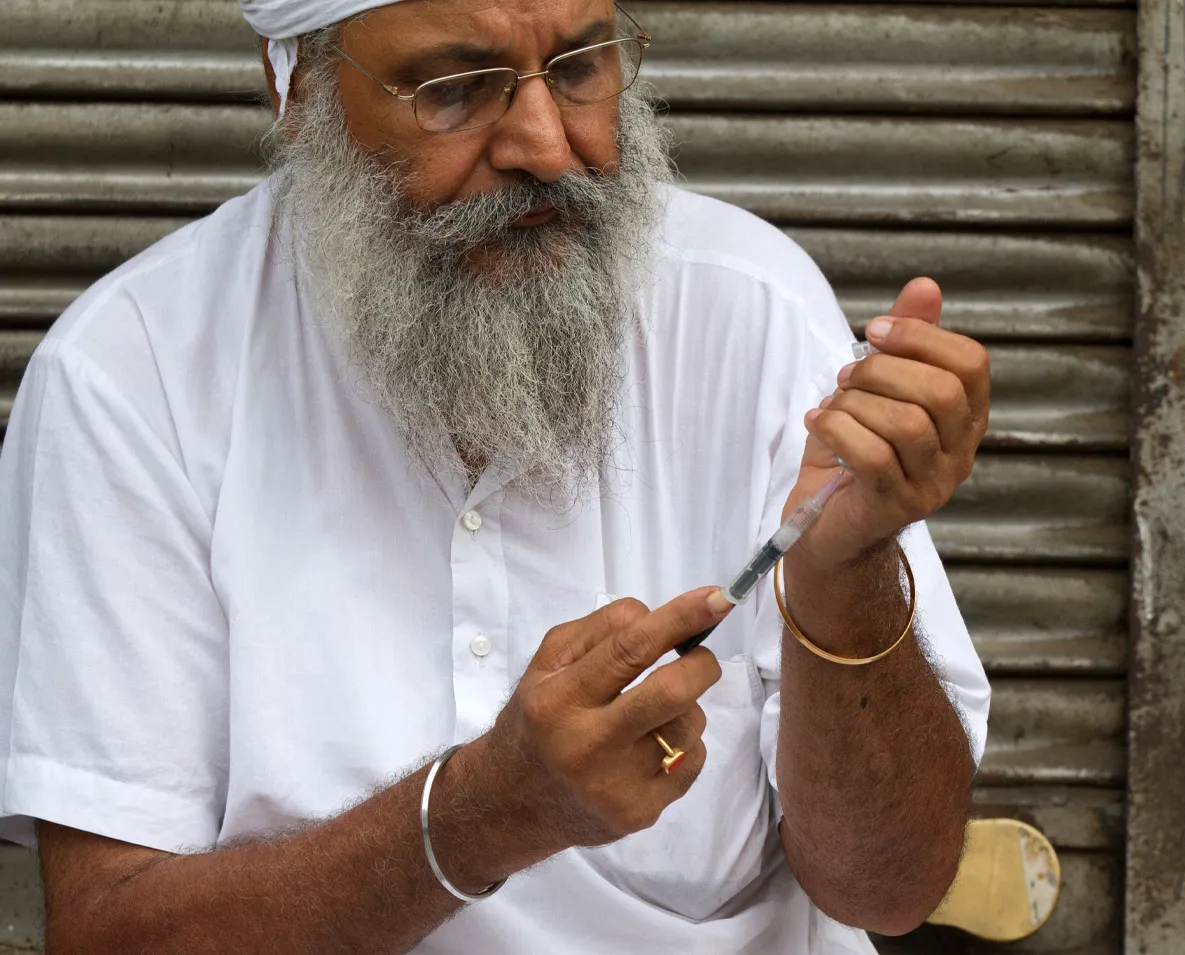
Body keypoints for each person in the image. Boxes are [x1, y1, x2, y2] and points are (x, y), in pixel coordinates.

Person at [0, 0, 992, 951]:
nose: (546, 146)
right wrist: (476, 819)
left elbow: (887, 892)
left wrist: (846, 577)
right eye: (455, 89)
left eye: (579, 68)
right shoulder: (133, 374)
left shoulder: (751, 308)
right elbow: (108, 933)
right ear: (294, 90)